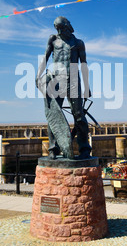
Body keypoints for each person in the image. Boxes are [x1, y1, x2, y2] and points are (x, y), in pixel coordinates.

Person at [36, 16, 92, 159]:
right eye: (57, 29)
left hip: (73, 79)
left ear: (67, 27)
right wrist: (38, 76)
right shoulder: (53, 39)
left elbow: (84, 65)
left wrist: (87, 87)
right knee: (54, 115)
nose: (59, 31)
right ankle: (53, 149)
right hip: (55, 80)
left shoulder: (78, 43)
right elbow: (45, 57)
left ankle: (84, 149)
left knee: (79, 116)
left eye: (61, 28)